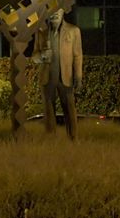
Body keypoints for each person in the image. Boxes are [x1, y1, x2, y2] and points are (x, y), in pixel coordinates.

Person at [34, 10, 83, 139]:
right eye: (51, 11)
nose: (54, 13)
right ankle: (51, 141)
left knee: (70, 110)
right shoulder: (41, 31)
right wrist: (43, 56)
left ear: (63, 12)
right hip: (47, 78)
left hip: (66, 78)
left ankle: (73, 139)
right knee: (48, 112)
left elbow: (78, 55)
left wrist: (78, 77)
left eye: (57, 10)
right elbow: (35, 56)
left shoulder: (73, 31)